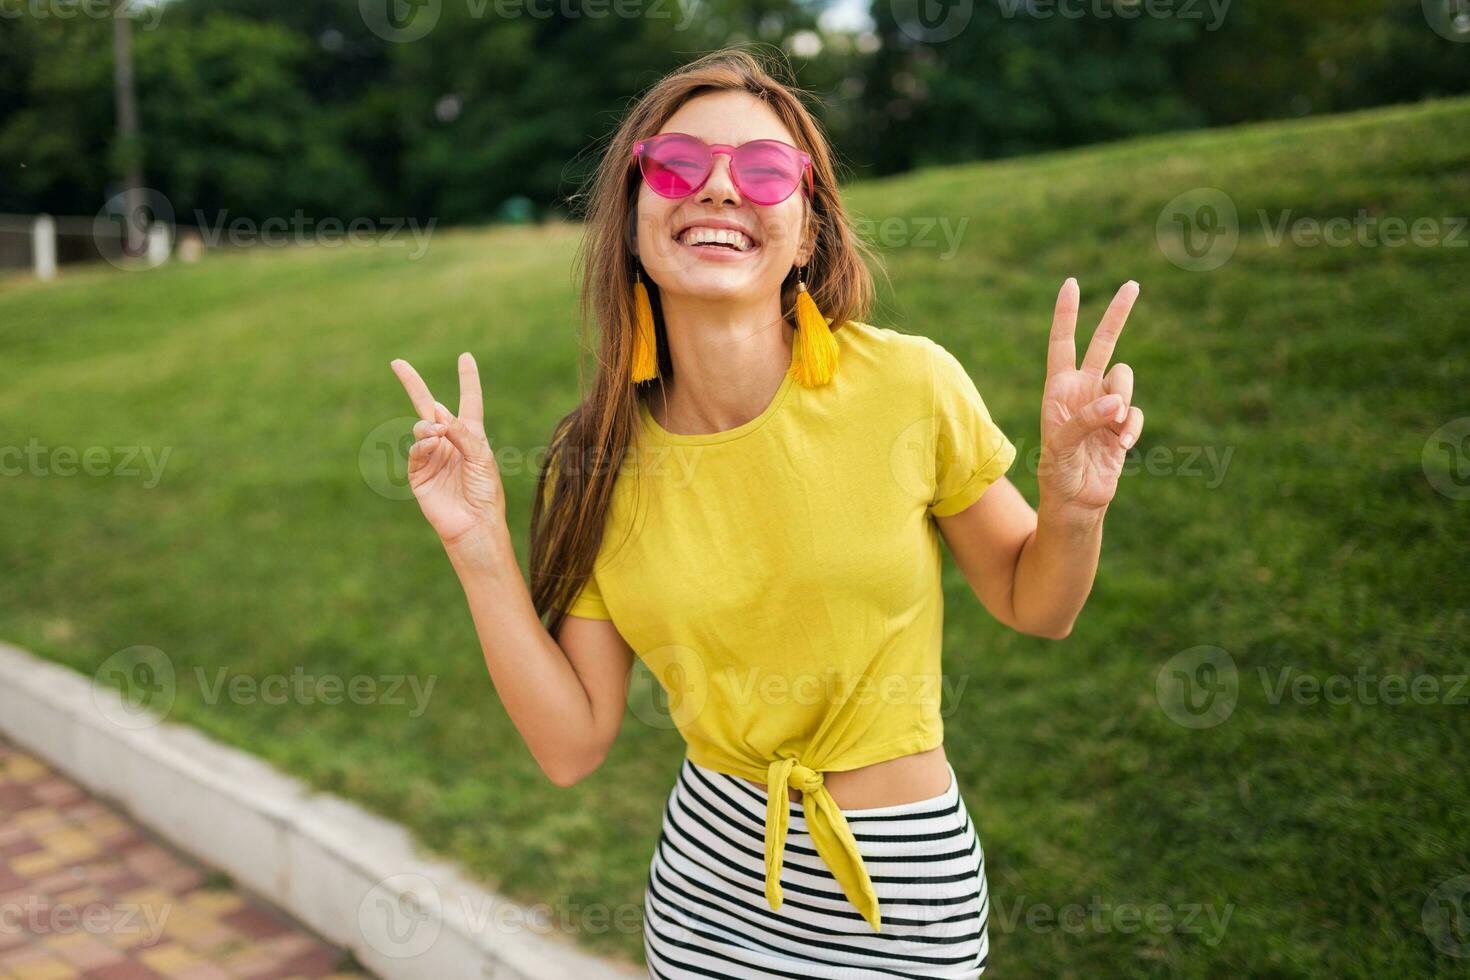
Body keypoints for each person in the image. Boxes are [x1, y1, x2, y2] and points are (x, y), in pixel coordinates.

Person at [389, 46, 1143, 980]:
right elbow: (571, 744)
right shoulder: (595, 461)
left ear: (809, 230)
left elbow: (1041, 606)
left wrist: (1073, 504)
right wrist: (477, 548)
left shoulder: (909, 385)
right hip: (706, 889)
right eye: (675, 166)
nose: (715, 189)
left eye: (761, 170)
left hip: (901, 889)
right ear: (631, 219)